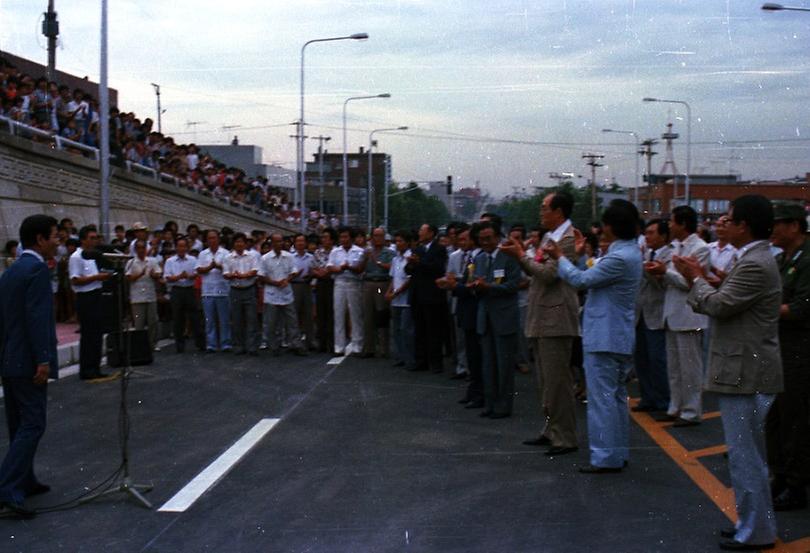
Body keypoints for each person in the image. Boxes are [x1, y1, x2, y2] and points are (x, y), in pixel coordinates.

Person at [674, 195, 782, 551]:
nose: (722, 223)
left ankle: (755, 531)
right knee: (746, 454)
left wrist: (695, 279)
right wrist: (706, 278)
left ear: (744, 226)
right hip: (745, 366)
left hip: (744, 370)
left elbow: (719, 305)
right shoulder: (752, 259)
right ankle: (750, 524)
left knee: (745, 455)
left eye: (729, 219)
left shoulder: (754, 263)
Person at [547, 199, 643, 473]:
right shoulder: (629, 253)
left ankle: (604, 457)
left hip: (605, 337)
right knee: (614, 399)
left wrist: (560, 257)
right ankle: (617, 452)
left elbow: (581, 280)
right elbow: (590, 273)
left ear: (609, 227)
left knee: (602, 401)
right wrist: (576, 257)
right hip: (617, 335)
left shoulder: (617, 257)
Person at [501, 192, 580, 455]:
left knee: (558, 382)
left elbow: (547, 275)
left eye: (544, 208)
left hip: (556, 320)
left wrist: (520, 256)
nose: (541, 212)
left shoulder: (567, 240)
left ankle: (565, 437)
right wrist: (524, 258)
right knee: (546, 382)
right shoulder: (549, 238)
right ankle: (551, 430)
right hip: (542, 317)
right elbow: (536, 268)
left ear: (558, 211)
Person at [0, 215, 59, 519]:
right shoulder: (37, 270)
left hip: (11, 359)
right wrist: (44, 359)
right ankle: (7, 487)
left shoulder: (11, 271)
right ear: (40, 239)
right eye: (54, 236)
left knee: (18, 424)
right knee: (34, 423)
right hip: (29, 362)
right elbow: (37, 319)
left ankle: (24, 478)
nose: (58, 241)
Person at [646, 205, 710, 427]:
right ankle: (675, 407)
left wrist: (666, 272)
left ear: (682, 224)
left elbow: (690, 282)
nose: (670, 226)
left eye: (672, 222)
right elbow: (672, 280)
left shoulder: (700, 249)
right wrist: (659, 272)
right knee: (674, 367)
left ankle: (691, 411)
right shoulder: (675, 247)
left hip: (689, 314)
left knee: (690, 368)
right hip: (672, 312)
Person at [766, 201, 810, 512]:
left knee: (795, 419)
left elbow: (800, 309)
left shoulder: (806, 260)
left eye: (777, 223)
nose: (772, 230)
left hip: (800, 350)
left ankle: (796, 486)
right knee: (776, 419)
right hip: (781, 346)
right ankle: (780, 477)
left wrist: (762, 309)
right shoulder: (783, 259)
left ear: (794, 225)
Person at [470, 221, 522, 419]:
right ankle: (490, 403)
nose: (485, 242)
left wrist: (489, 287)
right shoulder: (480, 258)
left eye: (489, 238)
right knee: (488, 364)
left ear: (498, 237)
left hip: (504, 317)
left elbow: (514, 284)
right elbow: (474, 282)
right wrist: (475, 286)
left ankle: (503, 406)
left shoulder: (509, 257)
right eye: (482, 239)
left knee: (504, 366)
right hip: (485, 316)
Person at [438, 225, 484, 408]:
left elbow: (472, 286)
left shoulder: (479, 258)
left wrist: (453, 286)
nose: (461, 242)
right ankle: (473, 390)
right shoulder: (469, 257)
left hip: (474, 310)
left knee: (477, 355)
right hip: (466, 310)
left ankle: (479, 393)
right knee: (471, 354)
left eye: (465, 239)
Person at [635, 219, 673, 413]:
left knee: (657, 360)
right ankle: (647, 397)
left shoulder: (670, 255)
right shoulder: (646, 253)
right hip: (640, 313)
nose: (647, 236)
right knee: (641, 359)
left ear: (663, 236)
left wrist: (647, 270)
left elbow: (661, 284)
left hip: (657, 314)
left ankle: (663, 400)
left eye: (652, 233)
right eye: (646, 233)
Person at [69, 225, 111, 380]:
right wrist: (96, 277)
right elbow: (75, 279)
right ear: (83, 240)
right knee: (88, 334)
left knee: (97, 333)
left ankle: (95, 367)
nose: (94, 241)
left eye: (95, 238)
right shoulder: (76, 257)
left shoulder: (93, 256)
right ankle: (86, 369)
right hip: (85, 297)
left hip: (96, 294)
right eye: (91, 238)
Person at [405, 224, 448, 373]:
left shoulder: (439, 249)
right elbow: (408, 270)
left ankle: (436, 363)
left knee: (433, 330)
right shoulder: (417, 249)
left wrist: (419, 263)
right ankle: (420, 361)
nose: (419, 233)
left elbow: (437, 268)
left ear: (431, 233)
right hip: (417, 295)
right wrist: (411, 264)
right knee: (419, 330)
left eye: (422, 231)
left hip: (433, 295)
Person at [259, 232, 306, 356]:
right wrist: (274, 282)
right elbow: (261, 276)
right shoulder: (265, 258)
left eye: (281, 241)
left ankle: (296, 344)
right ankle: (273, 346)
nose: (279, 244)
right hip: (272, 293)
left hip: (286, 292)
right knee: (272, 322)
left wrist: (287, 279)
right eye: (276, 242)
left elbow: (294, 271)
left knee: (292, 321)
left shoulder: (289, 256)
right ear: (272, 243)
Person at [327, 226, 366, 356]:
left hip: (354, 283)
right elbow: (330, 267)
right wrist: (339, 269)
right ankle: (339, 346)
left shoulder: (360, 251)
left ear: (352, 238)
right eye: (341, 237)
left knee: (356, 314)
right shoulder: (335, 252)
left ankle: (357, 346)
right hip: (339, 283)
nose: (343, 239)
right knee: (338, 314)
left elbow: (361, 269)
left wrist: (349, 267)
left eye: (346, 237)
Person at [163, 237, 203, 353]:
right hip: (177, 290)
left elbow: (197, 273)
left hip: (189, 289)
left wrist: (190, 276)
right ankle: (180, 346)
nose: (181, 248)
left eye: (184, 246)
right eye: (179, 246)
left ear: (187, 247)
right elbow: (167, 277)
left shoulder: (193, 259)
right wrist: (179, 277)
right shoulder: (170, 261)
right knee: (177, 319)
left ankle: (200, 344)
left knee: (195, 317)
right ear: (176, 247)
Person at [223, 233, 259, 356]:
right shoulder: (228, 257)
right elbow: (225, 274)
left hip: (249, 289)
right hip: (235, 290)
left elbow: (255, 271)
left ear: (245, 243)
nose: (239, 244)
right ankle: (238, 346)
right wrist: (233, 275)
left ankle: (252, 346)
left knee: (251, 319)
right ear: (234, 244)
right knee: (236, 320)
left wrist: (243, 276)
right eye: (237, 242)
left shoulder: (252, 256)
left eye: (241, 242)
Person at [361, 227, 394, 359]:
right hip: (368, 283)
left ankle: (384, 348)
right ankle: (369, 347)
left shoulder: (389, 252)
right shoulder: (367, 252)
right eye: (375, 236)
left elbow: (392, 267)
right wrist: (365, 259)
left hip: (382, 283)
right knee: (368, 316)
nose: (377, 238)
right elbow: (359, 268)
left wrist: (377, 262)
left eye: (380, 236)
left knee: (381, 314)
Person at [196, 230, 231, 353]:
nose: (212, 240)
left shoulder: (226, 254)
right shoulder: (202, 254)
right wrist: (210, 267)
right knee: (209, 320)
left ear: (218, 239)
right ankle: (211, 344)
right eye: (210, 238)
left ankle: (225, 343)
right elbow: (199, 269)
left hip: (223, 290)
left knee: (224, 319)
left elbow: (229, 270)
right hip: (207, 291)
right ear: (207, 240)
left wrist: (218, 266)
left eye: (214, 238)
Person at [125, 240, 162, 352]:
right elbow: (128, 278)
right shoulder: (131, 262)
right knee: (139, 324)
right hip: (137, 298)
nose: (141, 250)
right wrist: (140, 274)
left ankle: (152, 344)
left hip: (150, 296)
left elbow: (159, 274)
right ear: (136, 250)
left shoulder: (152, 261)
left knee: (153, 321)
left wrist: (153, 275)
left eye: (143, 248)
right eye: (139, 248)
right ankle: (140, 346)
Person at [387, 230, 415, 370]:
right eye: (396, 241)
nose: (398, 244)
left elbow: (409, 280)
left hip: (406, 299)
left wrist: (396, 292)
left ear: (408, 242)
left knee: (406, 329)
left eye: (401, 241)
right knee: (396, 329)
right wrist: (388, 291)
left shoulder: (411, 257)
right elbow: (393, 278)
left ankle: (410, 359)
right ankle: (400, 357)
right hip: (395, 300)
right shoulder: (395, 259)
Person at [312, 228, 336, 353]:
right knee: (320, 314)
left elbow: (334, 268)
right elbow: (314, 268)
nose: (323, 240)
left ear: (332, 239)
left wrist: (326, 272)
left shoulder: (337, 252)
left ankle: (332, 343)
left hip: (333, 283)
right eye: (322, 237)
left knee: (331, 314)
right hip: (320, 283)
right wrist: (321, 273)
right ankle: (321, 343)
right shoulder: (317, 252)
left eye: (326, 237)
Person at [290, 234, 315, 351]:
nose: (300, 243)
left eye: (302, 241)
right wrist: (294, 275)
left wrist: (311, 275)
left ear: (306, 243)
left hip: (307, 285)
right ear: (294, 243)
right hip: (294, 285)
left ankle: (311, 340)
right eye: (298, 241)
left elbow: (314, 271)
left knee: (308, 314)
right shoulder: (290, 257)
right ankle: (294, 341)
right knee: (294, 314)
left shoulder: (311, 257)